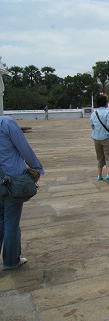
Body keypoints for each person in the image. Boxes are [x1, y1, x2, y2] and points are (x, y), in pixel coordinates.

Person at [0, 115, 44, 270]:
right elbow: (23, 147)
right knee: (11, 221)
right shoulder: (6, 123)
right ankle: (11, 260)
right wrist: (36, 167)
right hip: (11, 179)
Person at [91, 94, 109, 184]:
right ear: (105, 103)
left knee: (100, 157)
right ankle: (108, 174)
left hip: (96, 137)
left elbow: (92, 125)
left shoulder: (94, 113)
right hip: (106, 137)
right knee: (108, 156)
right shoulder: (107, 113)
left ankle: (99, 175)